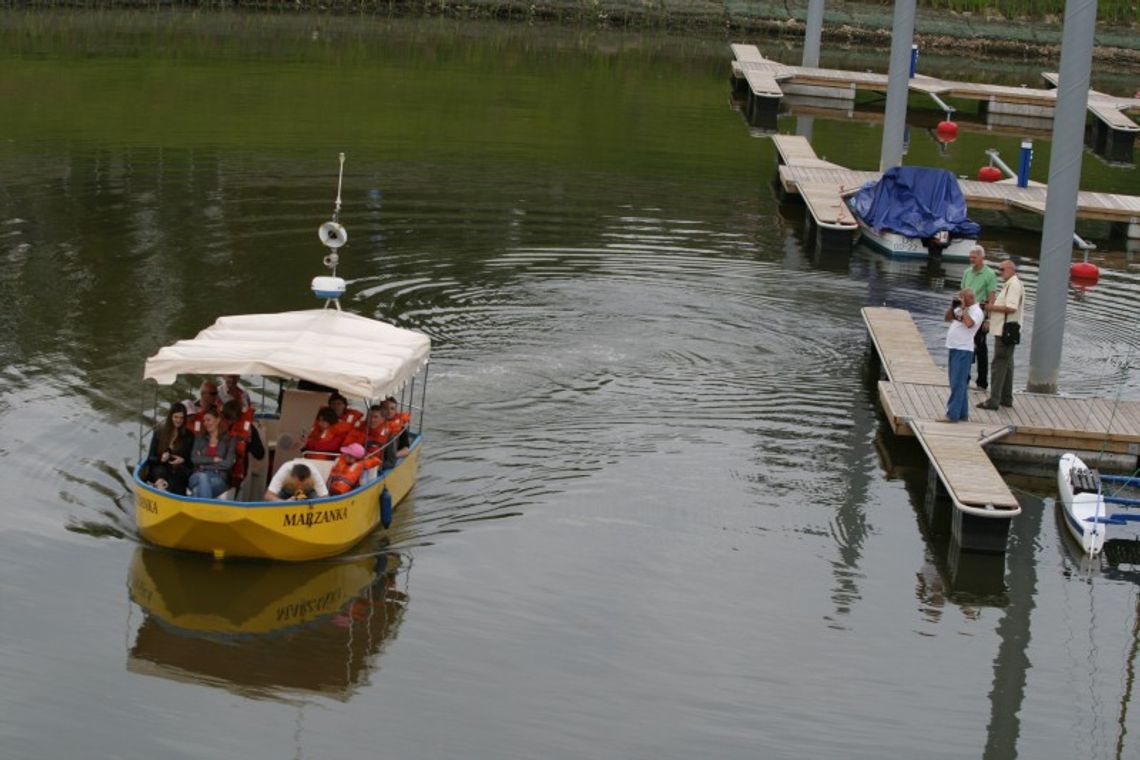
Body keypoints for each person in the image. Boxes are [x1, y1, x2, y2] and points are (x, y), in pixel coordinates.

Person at [978, 259, 1025, 411]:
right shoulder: (1012, 284)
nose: (1000, 272)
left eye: (1002, 269)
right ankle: (1006, 398)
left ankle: (994, 401)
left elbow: (1011, 308)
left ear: (1011, 269)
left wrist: (991, 307)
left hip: (1005, 331)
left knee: (998, 365)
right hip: (1008, 330)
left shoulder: (1013, 285)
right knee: (1007, 364)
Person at [960, 245, 998, 390]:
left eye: (974, 257)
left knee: (980, 346)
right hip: (967, 309)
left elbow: (992, 298)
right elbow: (962, 292)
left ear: (982, 257)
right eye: (970, 257)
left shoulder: (989, 274)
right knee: (966, 344)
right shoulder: (967, 272)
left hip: (980, 310)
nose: (971, 260)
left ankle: (982, 382)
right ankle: (965, 378)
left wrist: (988, 319)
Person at [942, 287, 983, 423]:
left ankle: (952, 414)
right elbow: (947, 318)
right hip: (953, 347)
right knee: (959, 382)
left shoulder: (977, 311)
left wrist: (964, 309)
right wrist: (952, 306)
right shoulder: (960, 308)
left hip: (964, 350)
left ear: (969, 298)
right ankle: (962, 414)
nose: (960, 299)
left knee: (957, 383)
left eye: (962, 297)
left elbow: (970, 324)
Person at [144, 402, 194, 495]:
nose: (179, 420)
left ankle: (167, 495)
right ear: (171, 417)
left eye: (182, 418)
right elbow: (151, 458)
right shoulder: (159, 433)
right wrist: (161, 459)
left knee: (176, 478)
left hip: (178, 470)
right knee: (160, 472)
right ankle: (160, 488)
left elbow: (190, 463)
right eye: (176, 417)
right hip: (160, 469)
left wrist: (182, 460)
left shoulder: (189, 436)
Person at [188, 408, 236, 499]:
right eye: (204, 421)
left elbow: (227, 464)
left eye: (208, 420)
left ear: (217, 420)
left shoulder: (230, 440)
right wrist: (213, 459)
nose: (206, 423)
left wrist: (204, 465)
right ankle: (205, 511)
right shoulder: (199, 438)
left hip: (218, 478)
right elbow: (194, 459)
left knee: (197, 490)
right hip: (197, 475)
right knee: (203, 477)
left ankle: (198, 510)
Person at [348, 398, 412, 466]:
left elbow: (406, 450)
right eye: (386, 408)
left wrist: (393, 455)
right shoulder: (366, 425)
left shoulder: (398, 428)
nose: (389, 411)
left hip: (382, 459)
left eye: (392, 409)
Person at [221, 399, 264, 487]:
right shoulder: (218, 425)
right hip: (219, 467)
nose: (230, 422)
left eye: (233, 419)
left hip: (238, 470)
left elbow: (260, 454)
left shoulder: (249, 429)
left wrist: (250, 439)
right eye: (228, 419)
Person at [264, 461, 328, 501]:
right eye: (297, 484)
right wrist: (282, 502)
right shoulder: (283, 472)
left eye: (303, 484)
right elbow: (268, 495)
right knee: (270, 502)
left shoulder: (314, 473)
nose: (299, 487)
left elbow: (325, 497)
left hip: (308, 494)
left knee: (318, 500)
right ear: (291, 477)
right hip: (286, 493)